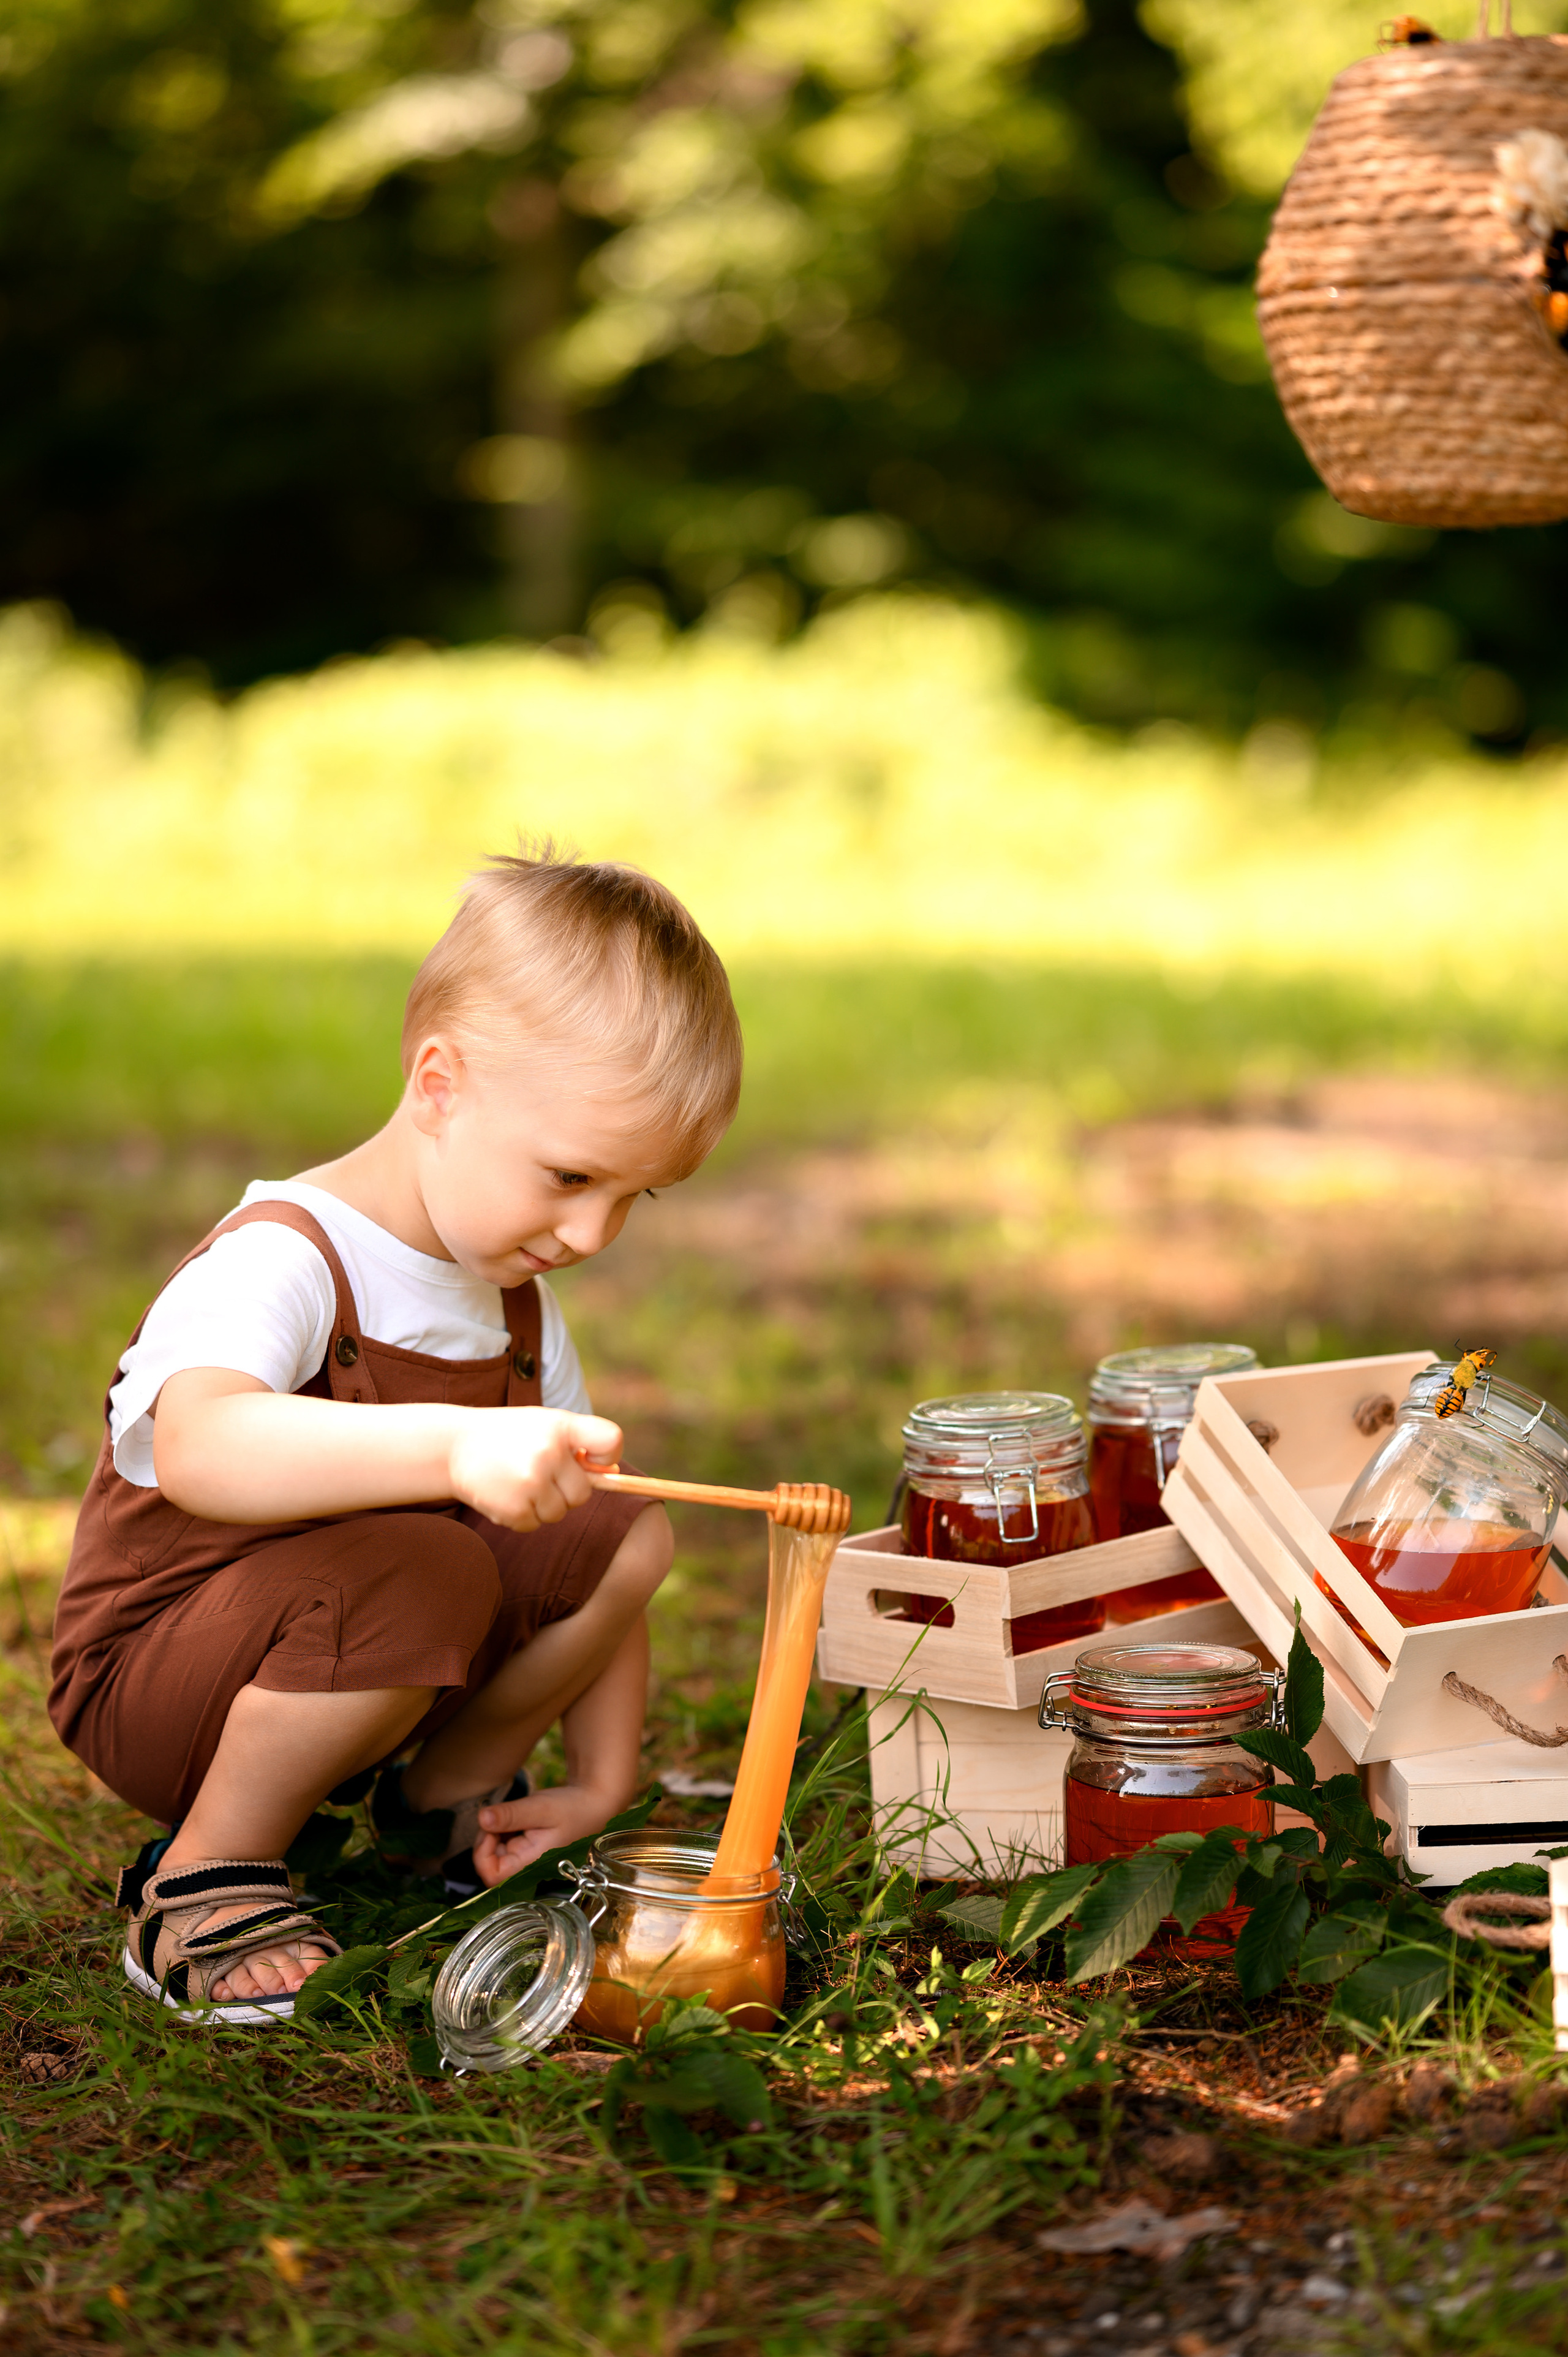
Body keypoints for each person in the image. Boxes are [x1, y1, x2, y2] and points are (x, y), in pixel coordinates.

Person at [48, 848, 743, 2024]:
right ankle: (203, 1872)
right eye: (570, 1175)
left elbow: (586, 1538)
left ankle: (446, 1800)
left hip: (383, 1660)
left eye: (633, 1197)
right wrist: (452, 1452)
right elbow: (205, 1447)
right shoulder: (289, 1253)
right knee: (427, 1561)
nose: (591, 1230)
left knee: (622, 1529)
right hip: (171, 1673)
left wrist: (605, 1779)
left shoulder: (518, 1299)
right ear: (439, 1084)